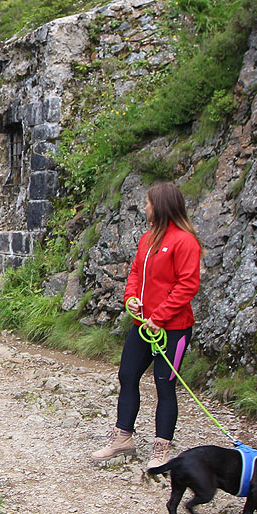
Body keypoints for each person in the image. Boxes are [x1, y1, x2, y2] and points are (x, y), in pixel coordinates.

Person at [91, 182, 202, 470]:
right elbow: (135, 274)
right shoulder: (147, 239)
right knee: (127, 375)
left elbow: (187, 285)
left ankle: (161, 448)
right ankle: (122, 438)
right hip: (144, 326)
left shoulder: (185, 241)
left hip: (173, 329)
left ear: (161, 206)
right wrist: (130, 299)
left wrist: (160, 316)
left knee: (165, 385)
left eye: (148, 203)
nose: (145, 208)